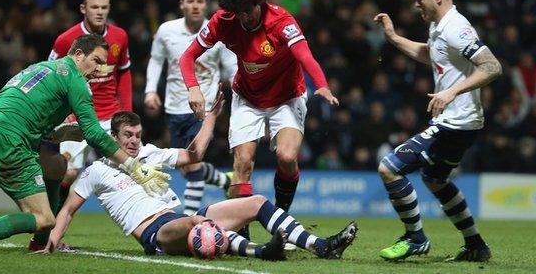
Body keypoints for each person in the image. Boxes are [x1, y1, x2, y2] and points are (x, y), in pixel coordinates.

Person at [41, 96, 358, 260]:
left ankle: (321, 245)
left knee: (256, 201)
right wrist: (50, 241)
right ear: (113, 136)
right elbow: (67, 210)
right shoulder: (96, 171)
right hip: (156, 235)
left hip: (179, 218)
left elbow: (192, 155)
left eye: (138, 135)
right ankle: (262, 251)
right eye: (127, 136)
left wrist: (210, 119)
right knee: (199, 226)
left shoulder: (150, 153)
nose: (135, 141)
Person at [0, 34, 170, 255]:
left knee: (57, 165)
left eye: (103, 64)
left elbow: (25, 106)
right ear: (78, 54)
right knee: (44, 218)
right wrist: (134, 166)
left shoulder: (42, 67)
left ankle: (40, 244)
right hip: (10, 139)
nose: (100, 70)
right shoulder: (76, 80)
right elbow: (93, 134)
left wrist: (52, 133)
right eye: (96, 61)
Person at [179, 0, 338, 219]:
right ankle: (240, 233)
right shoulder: (223, 21)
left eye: (248, 9)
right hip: (248, 97)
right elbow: (187, 56)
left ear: (259, 1)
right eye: (238, 11)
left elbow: (304, 55)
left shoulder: (281, 21)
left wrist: (322, 84)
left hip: (287, 97)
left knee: (286, 156)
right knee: (242, 162)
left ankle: (281, 221)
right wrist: (193, 87)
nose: (244, 16)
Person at [373, 0, 501, 262]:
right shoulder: (439, 26)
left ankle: (415, 238)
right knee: (435, 178)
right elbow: (431, 54)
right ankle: (476, 246)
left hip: (456, 122)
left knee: (389, 168)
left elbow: (492, 66)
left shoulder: (456, 27)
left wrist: (452, 92)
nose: (415, 4)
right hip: (460, 122)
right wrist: (393, 38)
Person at [144, 0, 236, 215]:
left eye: (200, 1)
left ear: (206, 5)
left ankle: (189, 219)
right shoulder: (166, 30)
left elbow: (231, 68)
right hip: (174, 108)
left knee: (192, 162)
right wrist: (150, 90)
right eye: (191, 1)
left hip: (204, 109)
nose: (196, 6)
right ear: (182, 4)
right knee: (186, 166)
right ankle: (225, 181)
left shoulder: (218, 33)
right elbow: (156, 61)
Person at [48, 0, 132, 218]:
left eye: (104, 7)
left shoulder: (120, 36)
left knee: (130, 165)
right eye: (94, 7)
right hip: (77, 116)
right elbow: (52, 74)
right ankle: (50, 226)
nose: (100, 12)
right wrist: (60, 111)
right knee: (69, 173)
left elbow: (124, 73)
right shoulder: (66, 40)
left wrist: (127, 111)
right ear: (83, 9)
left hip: (110, 115)